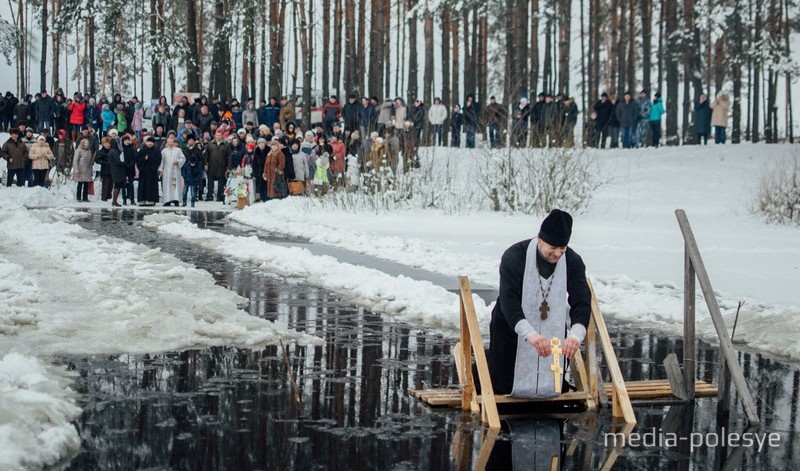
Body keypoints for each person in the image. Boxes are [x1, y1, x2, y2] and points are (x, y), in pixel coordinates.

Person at [485, 209, 591, 397]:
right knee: (504, 385)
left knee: (551, 385)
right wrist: (531, 334)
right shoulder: (515, 256)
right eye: (553, 247)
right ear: (540, 239)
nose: (557, 253)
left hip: (552, 327)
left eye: (562, 249)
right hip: (511, 327)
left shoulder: (573, 261)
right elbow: (509, 302)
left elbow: (581, 302)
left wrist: (575, 335)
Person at [136, 137, 162, 205]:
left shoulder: (156, 151)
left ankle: (151, 200)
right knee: (143, 186)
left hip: (152, 171)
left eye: (151, 142)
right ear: (146, 143)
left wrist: (151, 160)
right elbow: (138, 160)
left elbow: (158, 160)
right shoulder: (142, 151)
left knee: (152, 185)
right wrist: (144, 159)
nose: (150, 143)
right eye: (148, 142)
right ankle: (142, 199)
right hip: (143, 171)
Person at [95, 137, 118, 203]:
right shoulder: (101, 151)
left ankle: (109, 196)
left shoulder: (111, 150)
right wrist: (104, 163)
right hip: (105, 170)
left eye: (109, 143)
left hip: (112, 169)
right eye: (106, 143)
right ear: (103, 144)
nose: (108, 145)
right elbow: (97, 159)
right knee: (106, 184)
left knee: (111, 184)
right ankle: (104, 197)